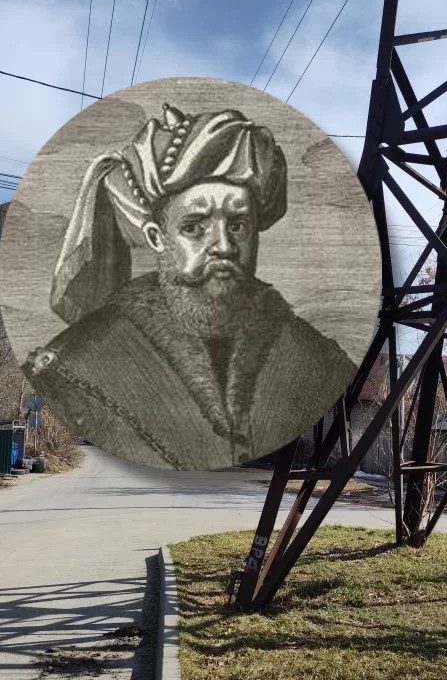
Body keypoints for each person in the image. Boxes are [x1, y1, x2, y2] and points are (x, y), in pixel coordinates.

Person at [24, 105, 357, 470]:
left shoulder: (316, 359)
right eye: (195, 227)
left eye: (238, 225)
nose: (224, 247)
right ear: (157, 237)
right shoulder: (76, 364)